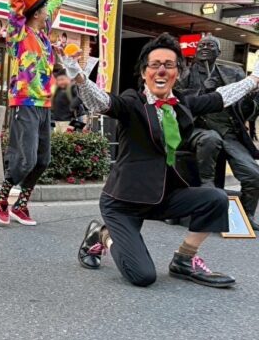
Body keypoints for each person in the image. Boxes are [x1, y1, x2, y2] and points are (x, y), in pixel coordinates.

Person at [71, 33, 259, 288]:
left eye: (168, 65)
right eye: (155, 65)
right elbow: (104, 102)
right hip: (123, 202)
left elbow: (220, 97)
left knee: (216, 198)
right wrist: (81, 79)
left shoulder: (182, 103)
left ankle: (184, 259)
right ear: (144, 72)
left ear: (177, 72)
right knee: (143, 276)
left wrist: (254, 78)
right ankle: (102, 235)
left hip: (162, 195)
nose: (161, 71)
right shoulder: (132, 102)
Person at [0, 0, 71, 226]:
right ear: (34, 12)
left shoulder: (43, 32)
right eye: (42, 7)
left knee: (42, 160)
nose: (46, 10)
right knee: (23, 160)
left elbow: (56, 6)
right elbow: (15, 2)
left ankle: (21, 204)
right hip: (24, 102)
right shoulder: (19, 33)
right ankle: (2, 197)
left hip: (44, 104)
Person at [177, 34, 259, 229]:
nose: (205, 47)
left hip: (229, 132)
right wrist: (202, 93)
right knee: (210, 139)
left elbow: (246, 109)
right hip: (198, 129)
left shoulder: (233, 73)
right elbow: (178, 104)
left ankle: (246, 215)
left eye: (211, 45)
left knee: (253, 174)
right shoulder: (184, 74)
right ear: (195, 51)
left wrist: (251, 99)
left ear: (219, 52)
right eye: (202, 45)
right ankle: (208, 185)